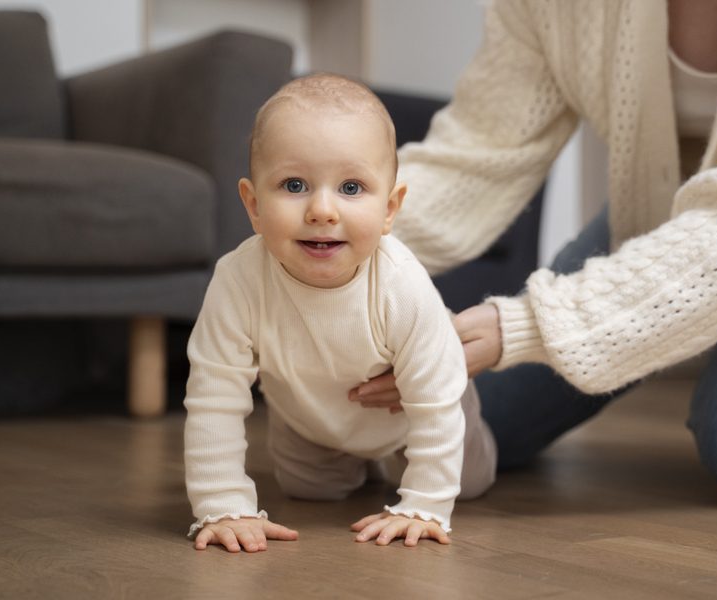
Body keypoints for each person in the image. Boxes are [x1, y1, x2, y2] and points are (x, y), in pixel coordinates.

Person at [351, 0, 717, 507]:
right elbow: (477, 151)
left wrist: (529, 326)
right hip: (653, 214)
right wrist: (331, 245)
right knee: (463, 418)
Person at [183, 73, 497, 553]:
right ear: (253, 205)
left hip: (407, 415)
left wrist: (424, 504)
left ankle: (446, 438)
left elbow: (433, 403)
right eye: (294, 185)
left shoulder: (402, 285)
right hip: (308, 416)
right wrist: (223, 503)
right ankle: (357, 463)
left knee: (468, 482)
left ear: (390, 208)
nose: (322, 210)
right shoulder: (238, 280)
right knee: (310, 492)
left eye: (351, 187)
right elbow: (214, 397)